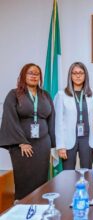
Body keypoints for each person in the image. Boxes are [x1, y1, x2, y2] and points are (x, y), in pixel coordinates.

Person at [0, 63, 55, 200]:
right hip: (23, 146)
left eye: (37, 74)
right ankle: (24, 208)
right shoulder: (14, 94)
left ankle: (40, 207)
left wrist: (53, 145)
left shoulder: (45, 95)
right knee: (25, 180)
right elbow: (10, 118)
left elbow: (52, 119)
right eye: (30, 73)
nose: (34, 76)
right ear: (23, 75)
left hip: (43, 144)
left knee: (41, 180)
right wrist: (21, 142)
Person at [54, 62, 93, 170]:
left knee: (87, 171)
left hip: (88, 139)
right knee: (68, 173)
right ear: (70, 76)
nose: (78, 76)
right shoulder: (61, 95)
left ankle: (86, 188)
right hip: (68, 140)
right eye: (74, 73)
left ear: (85, 75)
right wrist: (60, 145)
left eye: (81, 73)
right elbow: (58, 122)